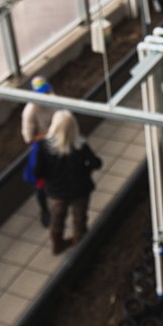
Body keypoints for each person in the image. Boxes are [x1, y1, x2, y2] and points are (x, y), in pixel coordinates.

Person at [33, 109, 102, 255]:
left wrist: (50, 178)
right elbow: (96, 163)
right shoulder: (80, 144)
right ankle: (80, 248)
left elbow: (37, 172)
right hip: (80, 189)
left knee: (57, 219)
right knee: (80, 220)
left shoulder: (44, 147)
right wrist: (86, 169)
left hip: (56, 191)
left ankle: (57, 245)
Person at [20, 75, 55, 227]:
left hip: (55, 142)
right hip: (41, 148)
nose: (46, 96)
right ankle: (44, 210)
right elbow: (28, 138)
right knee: (40, 181)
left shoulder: (54, 100)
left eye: (47, 92)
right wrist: (49, 134)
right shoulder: (30, 111)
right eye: (42, 94)